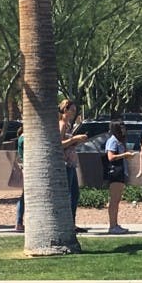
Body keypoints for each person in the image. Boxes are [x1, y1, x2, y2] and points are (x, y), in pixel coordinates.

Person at [58, 99, 89, 232]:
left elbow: (68, 143)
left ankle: (72, 222)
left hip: (71, 162)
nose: (74, 112)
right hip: (65, 163)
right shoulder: (62, 124)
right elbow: (59, 144)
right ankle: (68, 223)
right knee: (70, 193)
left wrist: (76, 142)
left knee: (75, 193)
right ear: (65, 109)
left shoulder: (69, 125)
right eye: (72, 110)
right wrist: (75, 139)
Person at [104, 120, 135, 234]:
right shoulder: (112, 141)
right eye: (121, 127)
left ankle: (115, 224)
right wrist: (124, 155)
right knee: (114, 200)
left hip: (121, 171)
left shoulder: (120, 141)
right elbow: (110, 157)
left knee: (117, 200)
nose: (123, 129)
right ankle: (112, 226)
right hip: (115, 171)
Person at [14, 126, 25, 232]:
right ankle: (18, 222)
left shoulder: (22, 138)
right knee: (24, 196)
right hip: (26, 168)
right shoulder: (24, 138)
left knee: (24, 196)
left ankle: (19, 222)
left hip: (25, 167)